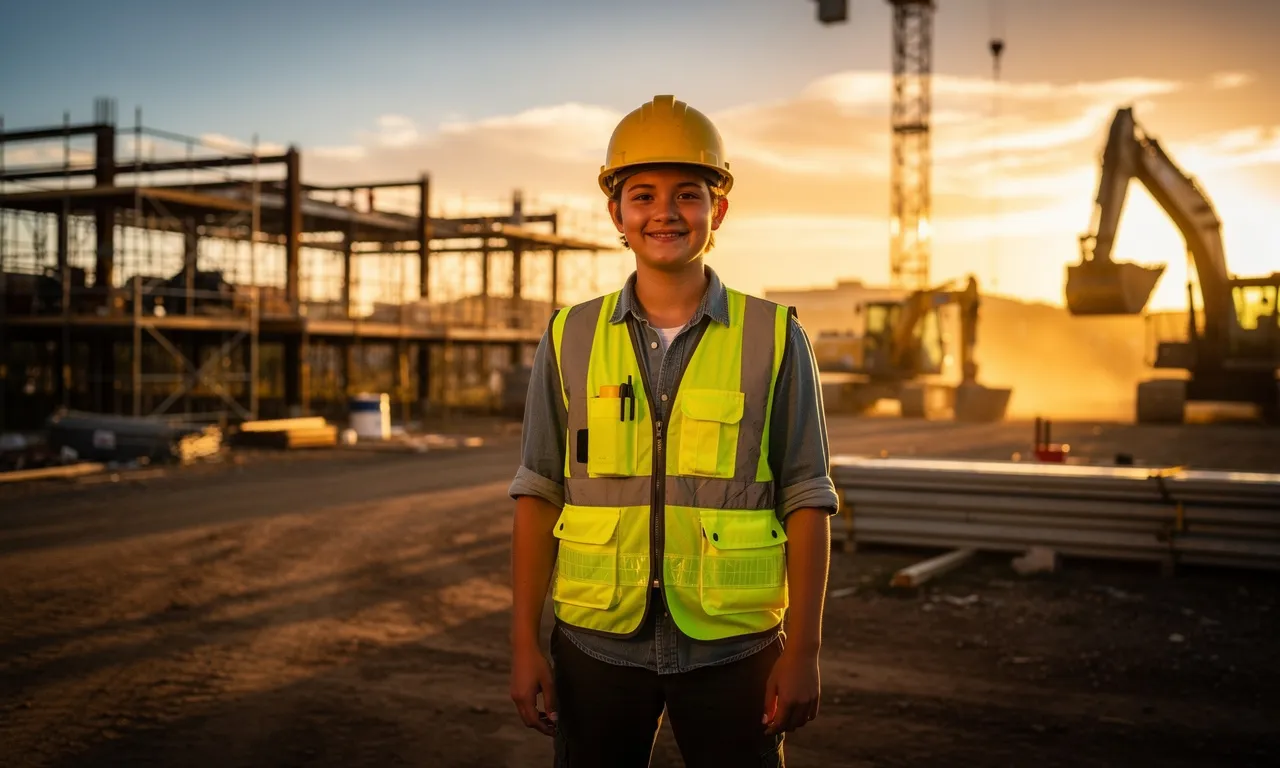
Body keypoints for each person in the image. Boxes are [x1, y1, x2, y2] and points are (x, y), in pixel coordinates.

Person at [508, 94, 838, 768]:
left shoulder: (776, 337)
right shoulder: (569, 336)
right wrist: (522, 642)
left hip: (735, 648)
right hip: (596, 643)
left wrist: (802, 653)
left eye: (688, 194)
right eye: (643, 195)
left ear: (717, 211)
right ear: (616, 214)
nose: (664, 212)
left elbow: (808, 497)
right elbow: (539, 490)